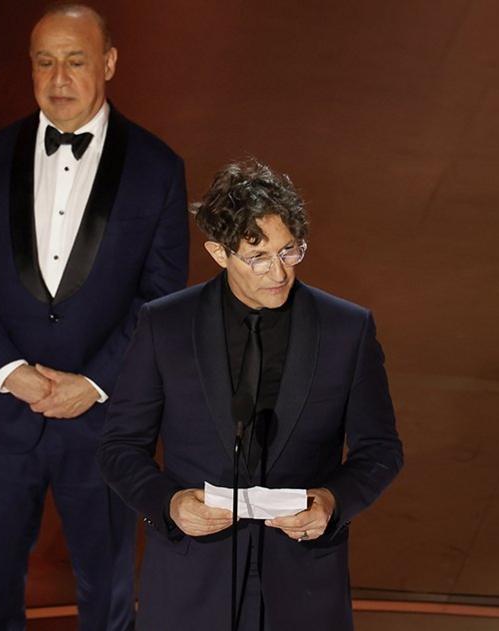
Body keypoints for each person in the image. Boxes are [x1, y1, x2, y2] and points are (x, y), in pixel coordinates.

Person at [0, 4, 189, 629]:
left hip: (103, 424)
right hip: (4, 417)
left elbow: (161, 298)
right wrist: (9, 370)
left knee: (107, 595)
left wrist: (94, 383)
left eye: (76, 61)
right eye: (45, 62)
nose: (59, 78)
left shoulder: (158, 169)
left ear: (107, 64)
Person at [98, 158, 403, 630]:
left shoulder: (348, 329)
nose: (278, 273)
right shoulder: (165, 325)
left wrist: (331, 501)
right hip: (190, 582)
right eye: (258, 257)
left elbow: (381, 450)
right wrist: (171, 504)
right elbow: (120, 447)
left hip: (303, 585)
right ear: (219, 253)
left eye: (289, 251)